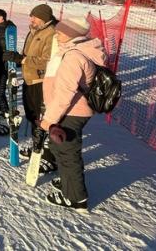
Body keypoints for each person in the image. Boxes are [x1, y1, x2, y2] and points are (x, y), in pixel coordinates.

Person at [40, 16, 107, 213]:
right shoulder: (76, 51)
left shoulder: (74, 57)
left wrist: (49, 120)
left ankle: (76, 198)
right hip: (71, 110)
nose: (56, 35)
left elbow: (64, 94)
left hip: (71, 112)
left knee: (68, 152)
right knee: (62, 149)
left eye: (60, 32)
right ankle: (69, 183)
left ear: (72, 35)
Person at [6, 4, 57, 164]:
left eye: (34, 17)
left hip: (42, 81)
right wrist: (18, 58)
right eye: (31, 16)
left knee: (42, 118)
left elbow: (48, 61)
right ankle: (38, 147)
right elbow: (28, 55)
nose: (31, 19)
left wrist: (23, 60)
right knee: (31, 115)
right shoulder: (34, 30)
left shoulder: (52, 34)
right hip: (29, 78)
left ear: (43, 18)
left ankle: (48, 154)